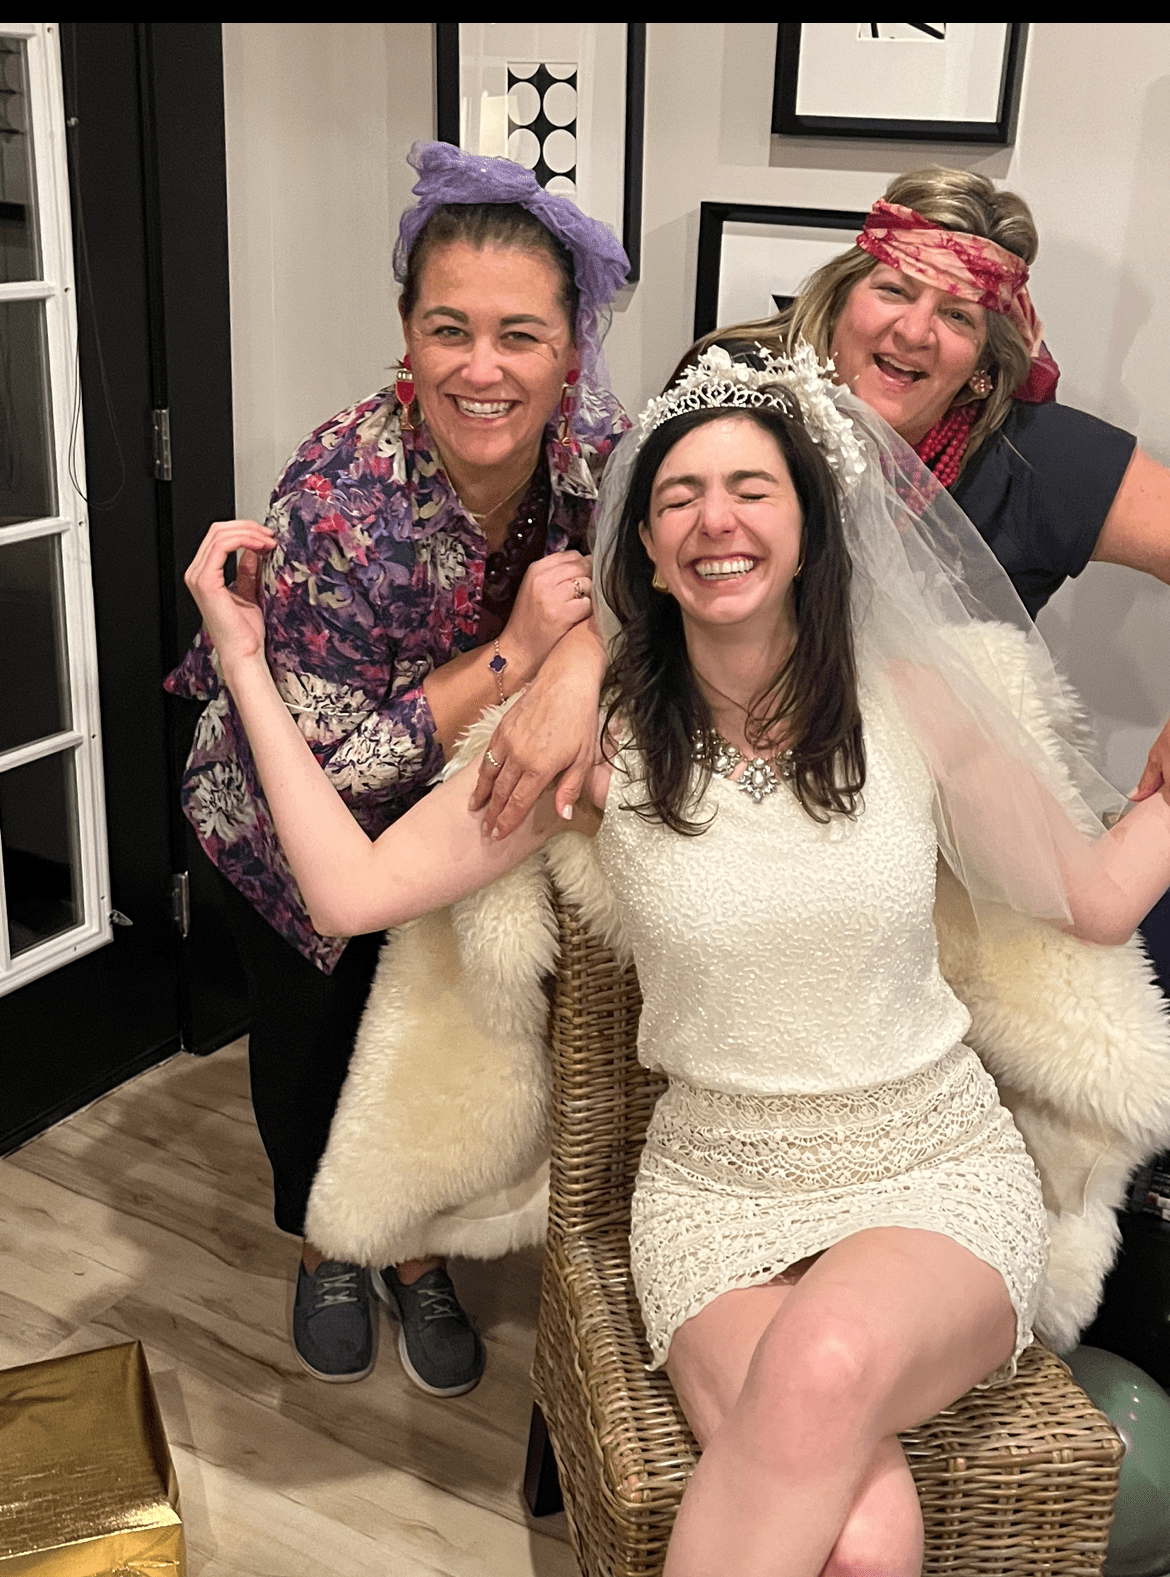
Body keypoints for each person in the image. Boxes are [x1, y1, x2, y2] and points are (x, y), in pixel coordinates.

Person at [183, 347, 1170, 1574]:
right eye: (680, 496)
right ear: (646, 550)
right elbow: (349, 886)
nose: (717, 519)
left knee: (822, 1361)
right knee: (866, 1539)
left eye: (752, 487)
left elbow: (1095, 896)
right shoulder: (593, 744)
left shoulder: (917, 700)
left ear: (808, 527)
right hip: (718, 1196)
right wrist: (242, 662)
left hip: (931, 1174)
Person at [165, 140, 628, 1390]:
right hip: (285, 821)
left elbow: (652, 598)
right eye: (449, 329)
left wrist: (582, 654)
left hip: (460, 823)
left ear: (571, 349)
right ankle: (326, 1241)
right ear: (408, 336)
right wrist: (516, 653)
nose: (483, 367)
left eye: (521, 335)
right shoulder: (339, 495)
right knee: (313, 1043)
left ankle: (415, 1244)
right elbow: (326, 770)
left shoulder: (608, 453)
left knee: (429, 1040)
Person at [473, 166, 1170, 844]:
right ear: (844, 293)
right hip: (715, 803)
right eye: (895, 289)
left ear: (984, 363)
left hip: (928, 829)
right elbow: (642, 566)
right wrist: (572, 668)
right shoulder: (738, 384)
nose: (915, 331)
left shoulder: (1038, 456)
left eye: (957, 314)